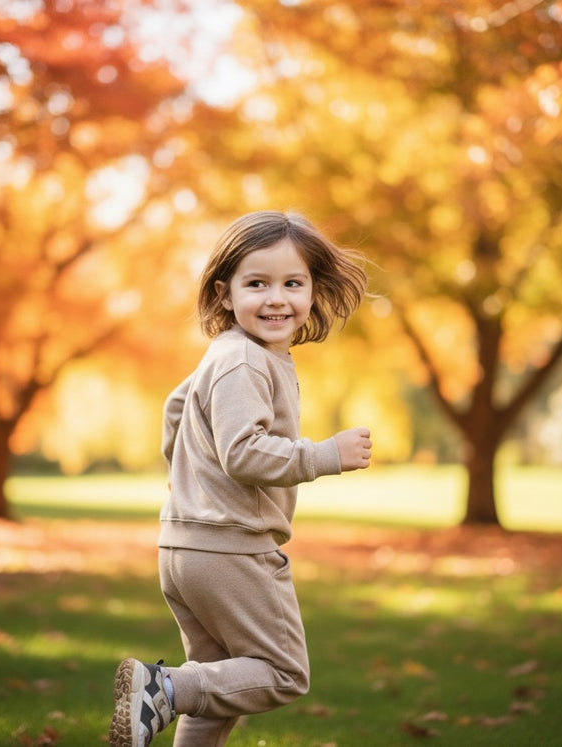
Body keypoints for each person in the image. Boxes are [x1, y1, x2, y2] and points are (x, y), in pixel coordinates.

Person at [109, 210, 373, 747]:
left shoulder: (227, 355)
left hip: (186, 545)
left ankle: (174, 692)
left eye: (292, 283)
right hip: (230, 549)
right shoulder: (246, 362)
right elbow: (243, 453)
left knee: (218, 687)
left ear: (313, 290)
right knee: (281, 672)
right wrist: (323, 455)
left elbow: (175, 411)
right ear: (224, 294)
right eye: (257, 284)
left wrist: (186, 481)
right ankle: (164, 688)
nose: (277, 298)